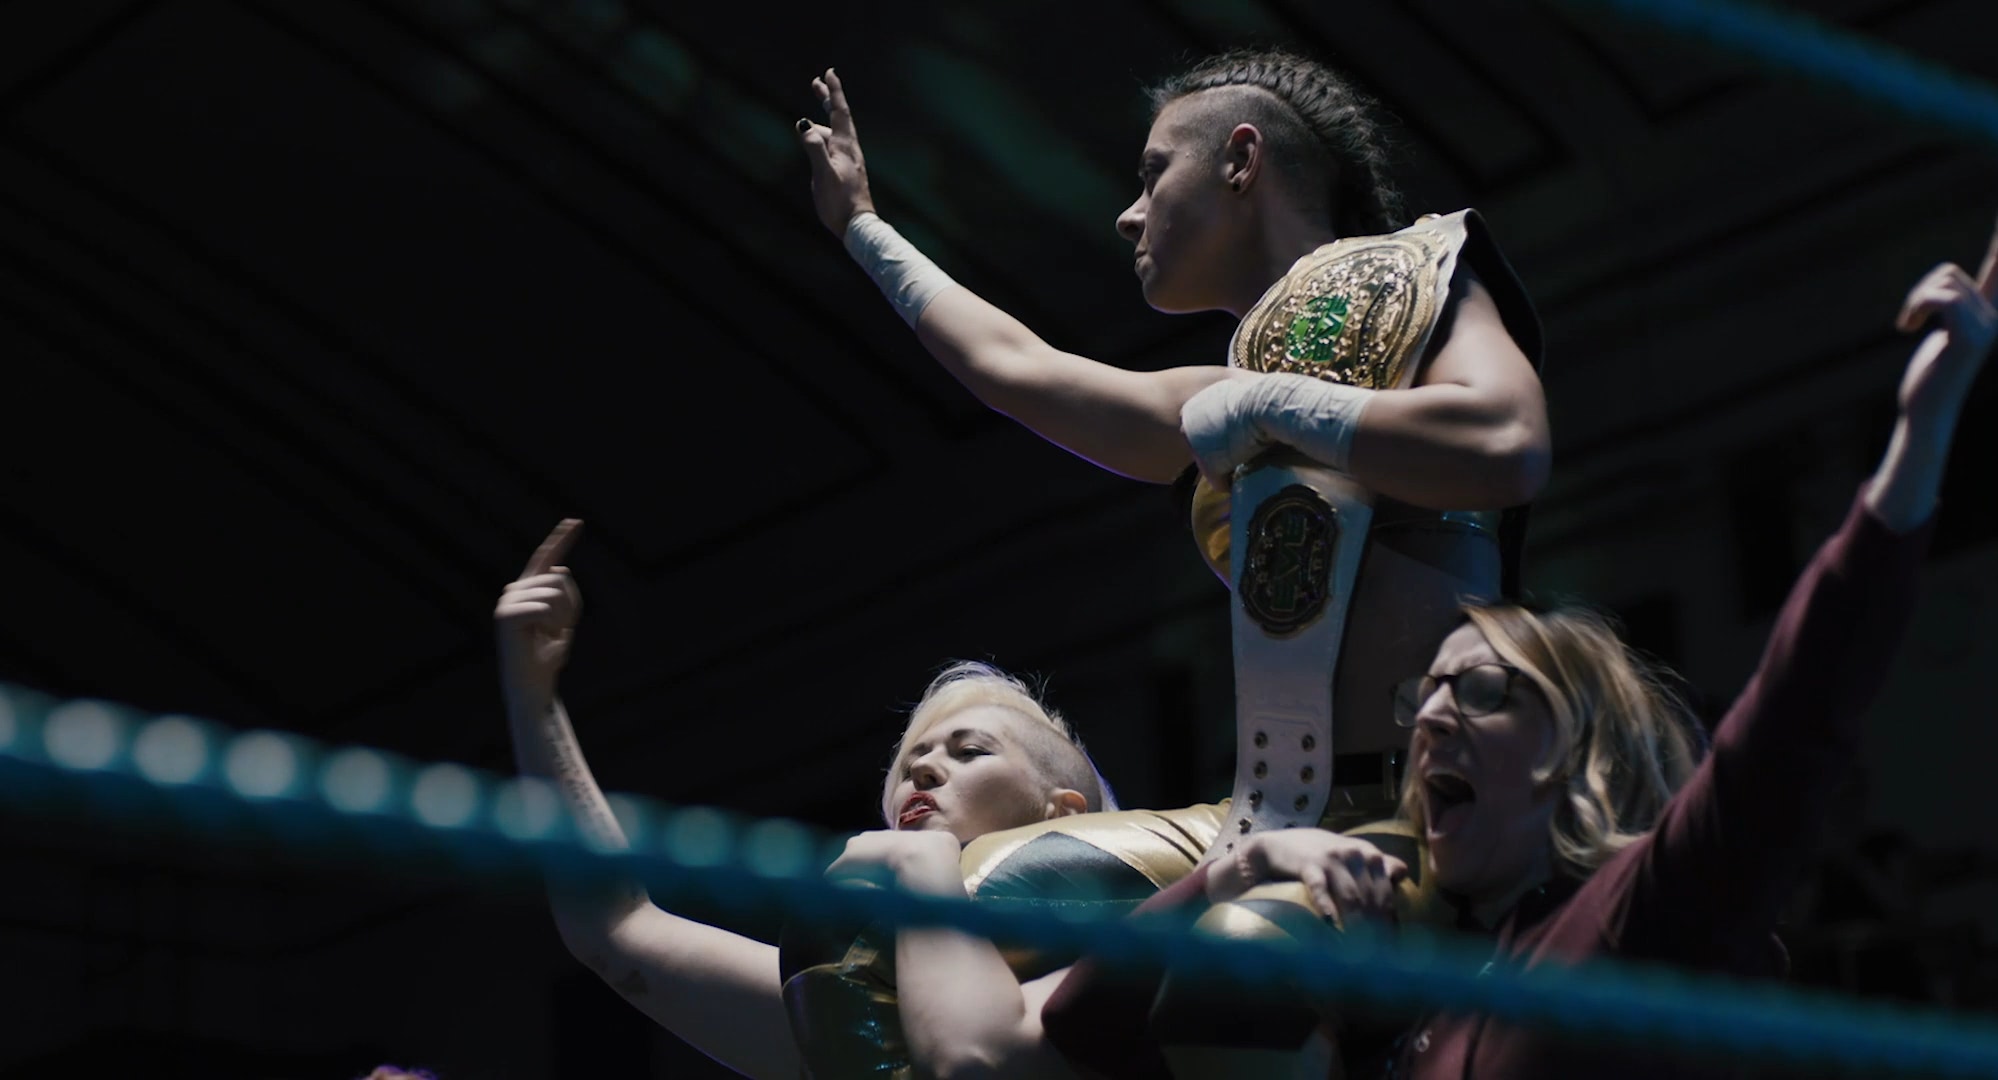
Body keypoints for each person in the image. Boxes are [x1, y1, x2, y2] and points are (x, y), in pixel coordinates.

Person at [1038, 221, 1998, 1078]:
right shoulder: (1414, 991)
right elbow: (1083, 1020)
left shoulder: (1640, 916)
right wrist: (1236, 869)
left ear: (1577, 749)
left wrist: (1922, 436)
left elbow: (1801, 711)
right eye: (1428, 698)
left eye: (1484, 690)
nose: (1433, 718)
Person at [797, 49, 1550, 818]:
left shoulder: (1418, 274)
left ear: (1241, 159)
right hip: (1284, 819)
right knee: (1025, 869)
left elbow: (1504, 444)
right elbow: (1012, 365)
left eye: (1154, 173)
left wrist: (1265, 406)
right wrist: (862, 227)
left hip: (1449, 805)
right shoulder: (1222, 405)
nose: (1129, 213)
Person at [493, 519, 1221, 1078]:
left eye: (969, 752)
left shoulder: (1142, 948)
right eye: (910, 765)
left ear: (1064, 812)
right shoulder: (848, 994)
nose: (924, 774)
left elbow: (978, 1062)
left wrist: (932, 864)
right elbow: (615, 932)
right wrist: (535, 700)